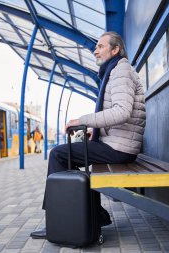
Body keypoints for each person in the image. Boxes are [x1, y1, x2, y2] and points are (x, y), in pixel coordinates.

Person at [31, 31, 146, 239]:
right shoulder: (116, 70)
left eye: (101, 46)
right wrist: (96, 129)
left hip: (120, 149)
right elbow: (120, 113)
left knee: (58, 155)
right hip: (119, 144)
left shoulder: (121, 71)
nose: (95, 50)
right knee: (68, 159)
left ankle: (59, 219)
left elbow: (122, 111)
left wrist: (82, 120)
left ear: (115, 49)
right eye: (96, 47)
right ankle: (93, 214)